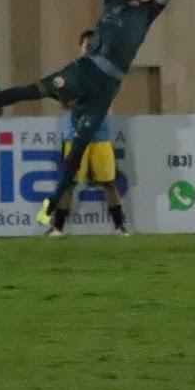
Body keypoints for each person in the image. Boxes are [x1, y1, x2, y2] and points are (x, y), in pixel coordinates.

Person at [0, 0, 179, 227]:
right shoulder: (113, 0)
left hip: (108, 87)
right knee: (31, 90)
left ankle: (50, 206)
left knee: (77, 151)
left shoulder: (148, 12)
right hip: (85, 69)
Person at [47, 29, 129, 237]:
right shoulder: (71, 72)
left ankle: (120, 227)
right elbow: (64, 101)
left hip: (100, 135)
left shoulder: (108, 71)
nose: (91, 46)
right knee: (69, 183)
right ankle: (57, 228)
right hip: (75, 135)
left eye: (94, 43)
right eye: (87, 44)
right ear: (81, 47)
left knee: (109, 182)